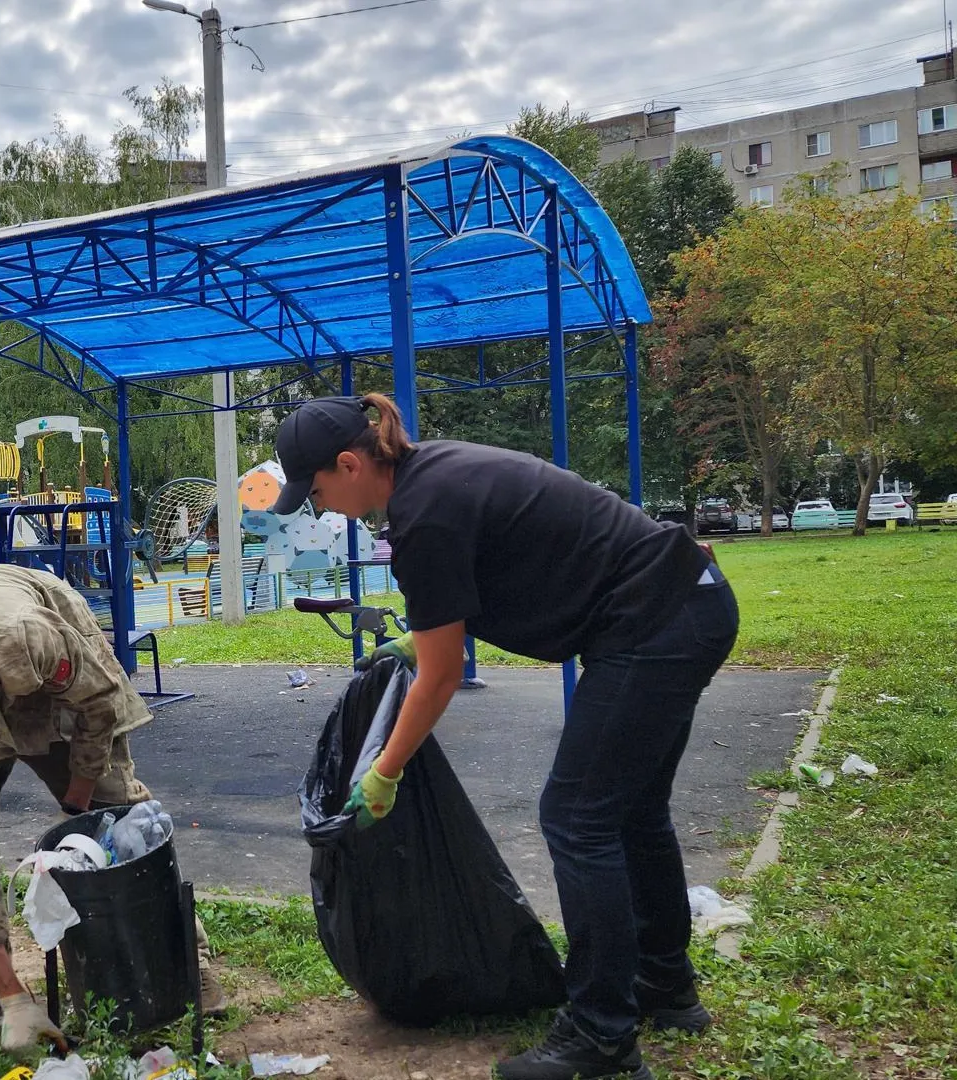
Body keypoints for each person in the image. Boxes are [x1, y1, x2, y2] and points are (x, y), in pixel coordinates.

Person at [270, 394, 737, 1080]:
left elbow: (440, 677)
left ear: (348, 464)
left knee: (577, 818)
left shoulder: (423, 514)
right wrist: (421, 637)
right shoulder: (434, 473)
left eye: (316, 494)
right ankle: (664, 988)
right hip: (687, 601)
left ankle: (601, 1037)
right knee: (629, 813)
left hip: (655, 624)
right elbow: (486, 588)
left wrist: (386, 772)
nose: (323, 509)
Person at [0, 563, 222, 1055]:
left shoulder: (28, 639)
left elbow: (99, 704)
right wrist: (15, 995)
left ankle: (186, 961)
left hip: (55, 685)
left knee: (120, 818)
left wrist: (78, 804)